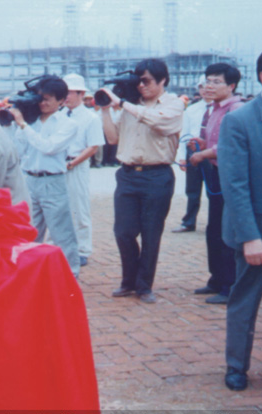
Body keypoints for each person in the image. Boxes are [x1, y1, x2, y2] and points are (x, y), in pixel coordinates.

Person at [100, 58, 184, 304]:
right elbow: (113, 139)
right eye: (138, 81)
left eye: (146, 81)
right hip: (127, 174)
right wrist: (105, 109)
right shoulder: (131, 105)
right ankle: (129, 281)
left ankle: (144, 285)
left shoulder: (173, 104)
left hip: (157, 175)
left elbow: (159, 122)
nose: (141, 86)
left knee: (150, 233)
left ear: (163, 80)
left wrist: (123, 104)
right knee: (123, 232)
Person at [217, 48, 262, 391]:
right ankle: (236, 365)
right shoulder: (240, 121)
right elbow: (234, 185)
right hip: (257, 229)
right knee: (246, 298)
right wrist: (251, 237)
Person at [11, 76, 80, 277]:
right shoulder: (31, 120)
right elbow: (18, 150)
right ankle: (28, 274)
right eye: (40, 98)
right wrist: (20, 124)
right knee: (29, 230)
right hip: (29, 180)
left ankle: (71, 276)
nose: (42, 103)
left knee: (61, 233)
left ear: (61, 101)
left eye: (48, 99)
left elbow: (48, 147)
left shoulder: (68, 124)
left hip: (52, 182)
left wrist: (23, 125)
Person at [187, 64, 243, 305]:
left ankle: (230, 286)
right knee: (214, 228)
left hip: (230, 176)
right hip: (216, 174)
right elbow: (215, 141)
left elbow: (230, 145)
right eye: (208, 81)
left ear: (231, 86)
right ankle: (217, 279)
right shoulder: (214, 109)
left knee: (227, 230)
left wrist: (204, 153)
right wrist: (202, 144)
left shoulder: (236, 109)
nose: (209, 86)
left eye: (216, 82)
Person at [62, 73, 105, 268]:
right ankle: (60, 246)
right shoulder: (58, 116)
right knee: (58, 208)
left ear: (80, 93)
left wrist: (72, 163)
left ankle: (82, 249)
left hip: (76, 166)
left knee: (79, 208)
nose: (66, 97)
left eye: (69, 92)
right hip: (57, 166)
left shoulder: (91, 118)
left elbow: (93, 146)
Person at [173, 76, 211, 233]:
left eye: (207, 86)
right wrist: (182, 157)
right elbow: (184, 134)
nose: (205, 90)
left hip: (212, 154)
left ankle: (215, 224)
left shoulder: (220, 109)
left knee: (213, 191)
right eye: (201, 87)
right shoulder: (191, 110)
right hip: (193, 152)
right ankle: (189, 222)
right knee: (192, 190)